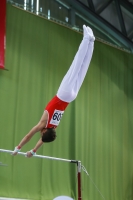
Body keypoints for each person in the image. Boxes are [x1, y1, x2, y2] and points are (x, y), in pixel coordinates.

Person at [12, 24, 95, 158]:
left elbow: (43, 140)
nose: (40, 134)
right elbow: (29, 135)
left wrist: (33, 151)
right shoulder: (44, 124)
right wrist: (18, 147)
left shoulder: (53, 129)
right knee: (76, 65)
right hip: (64, 94)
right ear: (44, 131)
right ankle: (86, 39)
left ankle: (91, 42)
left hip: (71, 96)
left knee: (83, 69)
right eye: (42, 133)